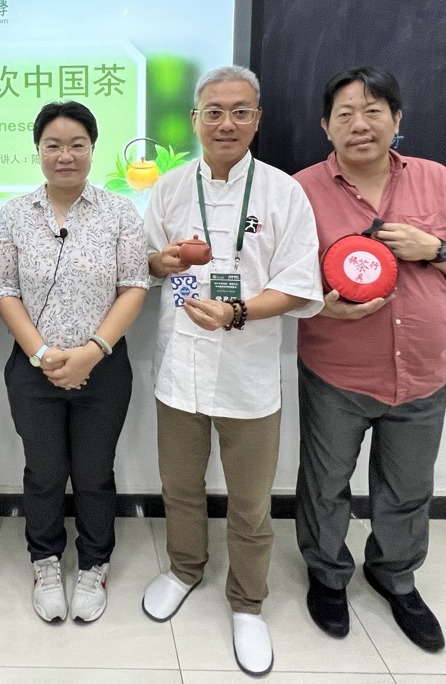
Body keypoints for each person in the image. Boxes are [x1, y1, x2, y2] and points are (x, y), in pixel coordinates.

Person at [293, 66, 446, 653]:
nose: (361, 124)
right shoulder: (301, 190)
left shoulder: (438, 181)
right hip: (338, 370)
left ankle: (395, 575)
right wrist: (324, 307)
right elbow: (283, 279)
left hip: (425, 371)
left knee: (407, 486)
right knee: (326, 484)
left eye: (374, 110)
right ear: (325, 126)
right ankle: (328, 577)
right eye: (346, 114)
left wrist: (434, 248)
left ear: (397, 120)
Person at [139, 66, 323, 676]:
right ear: (194, 119)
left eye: (240, 111)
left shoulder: (282, 193)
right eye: (213, 111)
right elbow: (144, 264)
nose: (225, 122)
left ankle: (247, 602)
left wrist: (239, 309)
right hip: (179, 368)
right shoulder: (167, 188)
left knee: (249, 501)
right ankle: (185, 567)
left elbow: (299, 285)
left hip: (248, 375)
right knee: (181, 486)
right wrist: (159, 261)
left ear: (257, 119)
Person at [0, 101, 150, 624]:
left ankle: (94, 565)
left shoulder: (120, 211)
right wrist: (40, 353)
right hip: (32, 369)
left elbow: (133, 287)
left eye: (77, 144)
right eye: (53, 145)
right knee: (43, 472)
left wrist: (91, 352)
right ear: (37, 150)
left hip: (103, 366)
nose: (65, 155)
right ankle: (45, 560)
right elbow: (5, 290)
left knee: (93, 472)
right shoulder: (15, 213)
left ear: (92, 149)